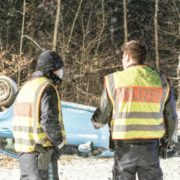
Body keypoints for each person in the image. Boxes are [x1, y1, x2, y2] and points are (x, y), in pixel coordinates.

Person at [91, 40, 178, 180]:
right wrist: (167, 142)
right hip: (151, 147)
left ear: (127, 57)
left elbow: (103, 115)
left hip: (124, 147)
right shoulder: (161, 80)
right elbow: (171, 117)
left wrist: (96, 122)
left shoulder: (115, 80)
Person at [13, 50, 67, 180]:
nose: (61, 73)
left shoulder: (26, 88)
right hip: (41, 154)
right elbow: (49, 121)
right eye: (59, 69)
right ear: (52, 70)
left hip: (24, 154)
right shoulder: (47, 87)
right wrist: (60, 146)